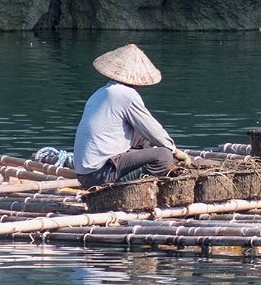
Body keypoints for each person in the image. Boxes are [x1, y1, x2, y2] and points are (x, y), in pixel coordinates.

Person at [73, 43, 191, 188]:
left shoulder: (100, 92)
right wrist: (175, 151)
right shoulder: (126, 94)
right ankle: (117, 188)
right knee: (164, 156)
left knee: (143, 137)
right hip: (98, 174)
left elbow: (145, 132)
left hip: (85, 173)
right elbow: (151, 128)